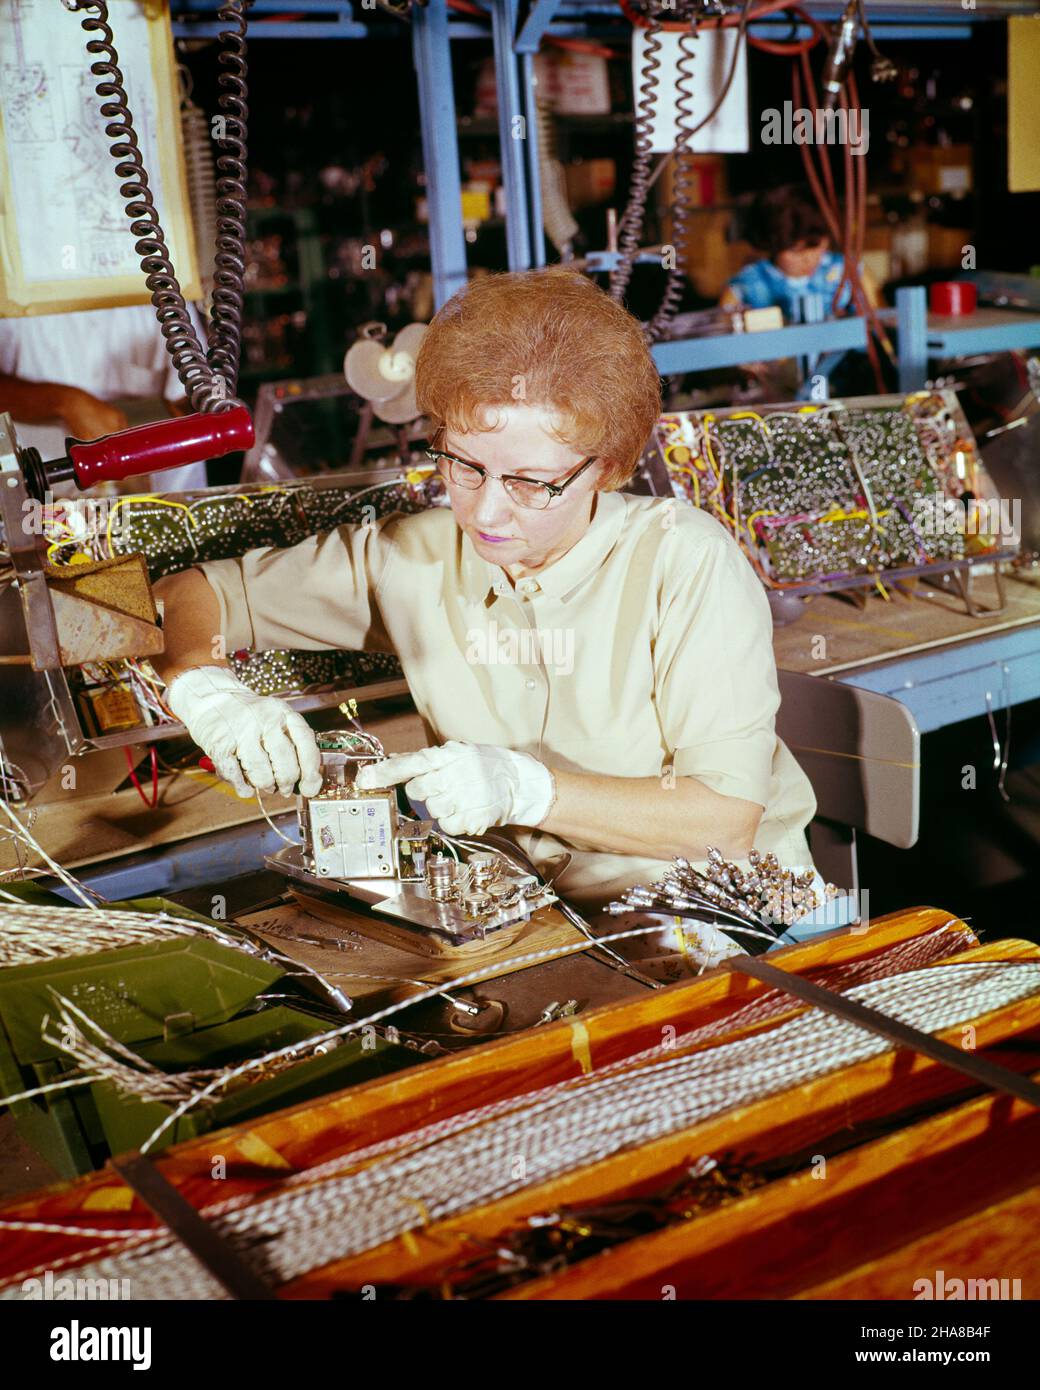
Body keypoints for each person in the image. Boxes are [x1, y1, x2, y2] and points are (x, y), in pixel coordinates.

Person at [153, 267, 819, 941]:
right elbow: (190, 592)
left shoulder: (684, 561)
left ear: (610, 467)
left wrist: (526, 790)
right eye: (464, 465)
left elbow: (724, 822)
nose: (486, 510)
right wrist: (207, 693)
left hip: (736, 916)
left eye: (532, 482)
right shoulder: (413, 558)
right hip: (553, 928)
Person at [0, 302, 210, 493]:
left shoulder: (165, 290)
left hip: (160, 490)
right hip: (38, 484)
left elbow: (199, 398)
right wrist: (63, 401)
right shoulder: (14, 283)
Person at [721, 185, 879, 321]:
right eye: (795, 251)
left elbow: (878, 323)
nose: (808, 258)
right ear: (772, 246)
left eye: (816, 246)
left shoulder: (849, 272)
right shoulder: (745, 286)